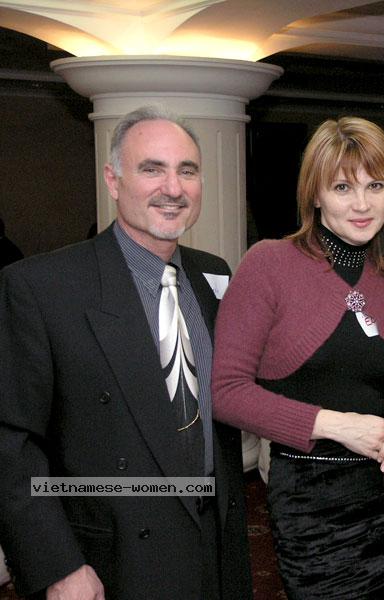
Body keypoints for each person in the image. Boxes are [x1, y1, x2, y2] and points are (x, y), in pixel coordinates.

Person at [0, 106, 252, 599]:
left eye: (187, 171)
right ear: (113, 181)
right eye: (152, 169)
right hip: (113, 559)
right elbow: (11, 443)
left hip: (215, 545)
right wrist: (58, 567)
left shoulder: (213, 274)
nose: (173, 188)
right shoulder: (42, 286)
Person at [212, 116, 384, 599]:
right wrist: (335, 424)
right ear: (315, 195)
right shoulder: (269, 264)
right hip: (311, 505)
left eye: (375, 186)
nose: (362, 203)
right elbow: (225, 393)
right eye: (343, 187)